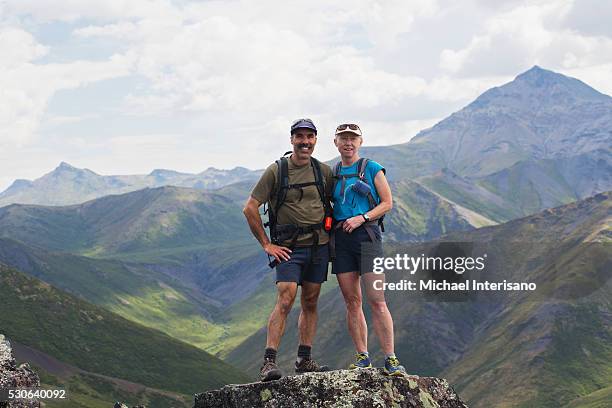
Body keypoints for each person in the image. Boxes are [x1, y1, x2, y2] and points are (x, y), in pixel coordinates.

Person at [243, 118, 333, 382]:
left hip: (319, 246)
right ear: (291, 139)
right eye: (300, 137)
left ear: (315, 139)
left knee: (311, 300)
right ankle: (268, 363)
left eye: (310, 137)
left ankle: (304, 360)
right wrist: (266, 244)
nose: (305, 142)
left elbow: (334, 203)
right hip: (289, 249)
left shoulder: (323, 171)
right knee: (286, 297)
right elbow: (250, 207)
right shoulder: (277, 171)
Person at [330, 123, 406, 376]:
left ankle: (391, 358)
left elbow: (387, 203)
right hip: (341, 239)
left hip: (367, 236)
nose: (348, 143)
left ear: (360, 142)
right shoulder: (334, 172)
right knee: (352, 301)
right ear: (336, 143)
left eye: (353, 138)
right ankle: (363, 356)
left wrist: (361, 217)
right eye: (343, 139)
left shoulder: (372, 168)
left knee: (377, 300)